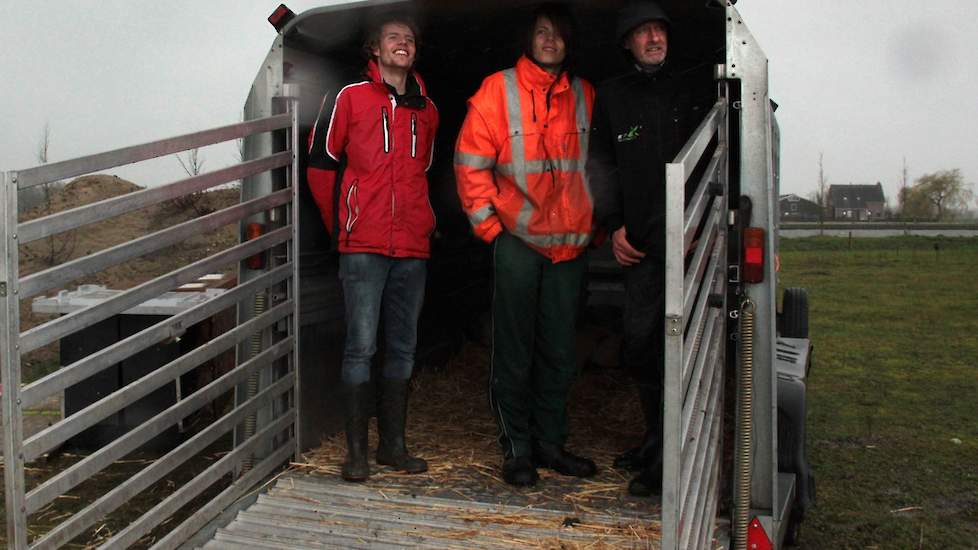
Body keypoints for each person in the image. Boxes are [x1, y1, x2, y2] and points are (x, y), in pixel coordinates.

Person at [454, 3, 596, 487]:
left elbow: (604, 167)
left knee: (559, 349)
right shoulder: (498, 90)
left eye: (557, 33)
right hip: (517, 240)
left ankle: (550, 443)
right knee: (514, 348)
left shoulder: (585, 94)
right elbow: (470, 165)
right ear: (528, 39)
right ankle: (516, 448)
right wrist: (491, 230)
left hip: (569, 249)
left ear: (568, 40)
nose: (550, 40)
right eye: (541, 32)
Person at [586, 0, 714, 496]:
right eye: (643, 33)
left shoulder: (693, 88)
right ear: (627, 43)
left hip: (690, 246)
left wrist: (703, 220)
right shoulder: (614, 97)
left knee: (680, 351)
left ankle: (670, 462)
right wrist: (614, 226)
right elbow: (602, 165)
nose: (654, 39)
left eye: (659, 30)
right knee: (641, 346)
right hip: (640, 250)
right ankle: (654, 440)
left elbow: (716, 156)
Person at [306, 13, 439, 482]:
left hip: (412, 246)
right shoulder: (350, 97)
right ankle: (357, 454)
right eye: (392, 38)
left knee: (403, 347)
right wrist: (341, 223)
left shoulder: (428, 109)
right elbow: (321, 165)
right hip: (361, 243)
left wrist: (425, 225)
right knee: (361, 346)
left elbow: (426, 174)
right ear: (375, 49)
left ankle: (393, 448)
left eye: (409, 38)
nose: (402, 43)